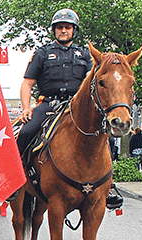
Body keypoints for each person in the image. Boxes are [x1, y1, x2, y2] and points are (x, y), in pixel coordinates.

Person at [16, 9, 93, 155]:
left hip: (77, 105)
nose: (63, 31)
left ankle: (108, 169)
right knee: (25, 132)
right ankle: (20, 168)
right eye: (59, 27)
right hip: (49, 105)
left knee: (106, 137)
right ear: (54, 30)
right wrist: (26, 108)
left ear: (74, 30)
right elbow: (27, 84)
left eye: (67, 27)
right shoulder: (42, 53)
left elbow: (91, 80)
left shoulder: (85, 54)